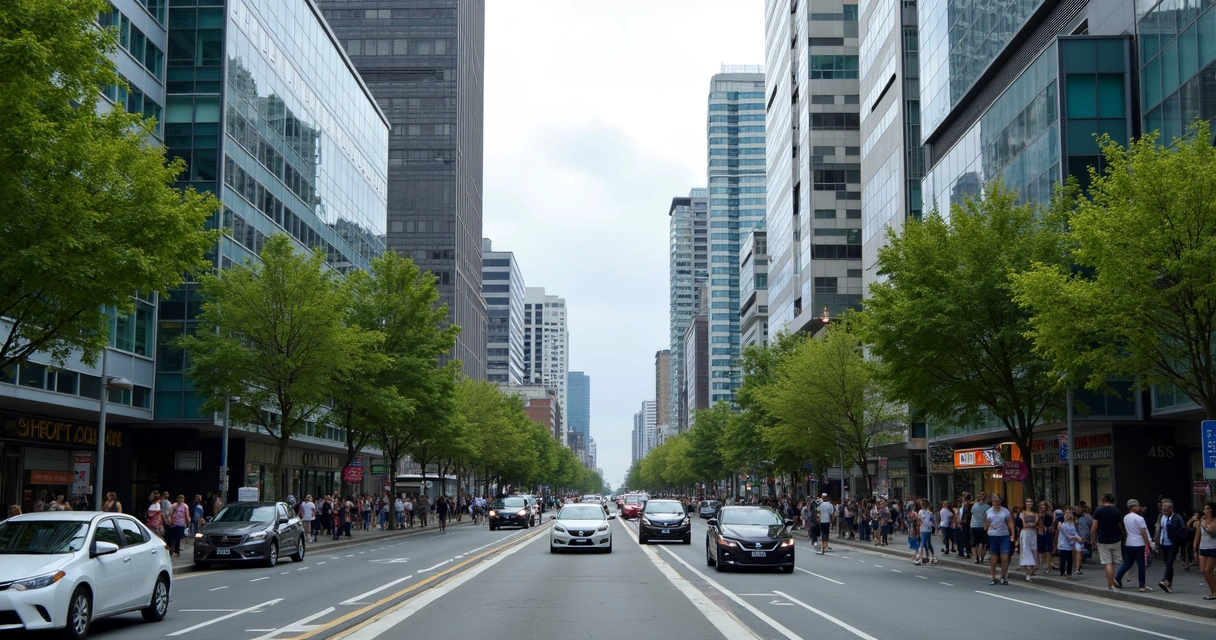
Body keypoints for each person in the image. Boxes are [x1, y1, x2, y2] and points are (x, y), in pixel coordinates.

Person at [1114, 498, 1152, 591]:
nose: (1139, 507)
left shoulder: (1126, 517)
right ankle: (1142, 585)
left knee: (1128, 562)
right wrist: (1148, 543)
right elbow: (1143, 532)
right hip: (1139, 544)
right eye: (1137, 505)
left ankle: (1117, 578)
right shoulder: (1140, 518)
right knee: (1141, 564)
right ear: (1133, 507)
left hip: (1129, 543)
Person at [1152, 498, 1186, 593]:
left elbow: (1182, 530)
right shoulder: (1161, 517)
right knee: (1167, 564)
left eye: (1165, 510)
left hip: (1173, 544)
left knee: (1170, 562)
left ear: (1171, 509)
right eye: (1162, 509)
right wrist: (1156, 543)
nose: (1163, 511)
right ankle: (1169, 583)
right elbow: (1158, 529)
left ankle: (1164, 580)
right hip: (1164, 543)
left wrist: (1179, 541)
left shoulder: (1176, 518)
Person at [1091, 493, 1124, 590]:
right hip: (1116, 539)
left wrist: (1092, 538)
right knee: (1115, 562)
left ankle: (1111, 585)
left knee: (1108, 562)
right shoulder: (1117, 511)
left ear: (1104, 500)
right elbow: (1120, 526)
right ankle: (1115, 580)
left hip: (1103, 539)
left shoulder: (1099, 510)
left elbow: (1094, 526)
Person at [985, 494, 1015, 585]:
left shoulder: (1005, 511)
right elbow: (986, 524)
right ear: (992, 502)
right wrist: (987, 530)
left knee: (1005, 557)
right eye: (994, 500)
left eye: (998, 500)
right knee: (994, 557)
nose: (996, 501)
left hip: (1004, 536)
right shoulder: (988, 512)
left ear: (1000, 501)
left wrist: (1013, 534)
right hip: (993, 536)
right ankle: (993, 577)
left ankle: (1003, 577)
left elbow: (1010, 523)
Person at [1193, 501, 1216, 601]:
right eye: (1205, 509)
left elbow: (1212, 531)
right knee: (1203, 571)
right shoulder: (1201, 521)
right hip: (1203, 547)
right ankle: (1212, 591)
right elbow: (1197, 536)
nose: (1206, 511)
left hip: (1213, 547)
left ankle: (1215, 592)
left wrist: (1206, 524)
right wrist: (1195, 550)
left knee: (1208, 570)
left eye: (1208, 509)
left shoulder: (1215, 520)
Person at [1057, 508, 1083, 578]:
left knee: (1069, 560)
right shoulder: (1061, 524)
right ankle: (1062, 573)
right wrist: (1076, 538)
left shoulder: (1071, 524)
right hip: (1063, 544)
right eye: (1066, 513)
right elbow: (1067, 535)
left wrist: (1078, 537)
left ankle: (1069, 573)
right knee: (1063, 560)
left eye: (1069, 513)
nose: (1067, 515)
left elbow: (1074, 533)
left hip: (1069, 545)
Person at [1018, 499, 1040, 581]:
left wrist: (1030, 525)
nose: (1030, 503)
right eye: (1027, 501)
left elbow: (1035, 524)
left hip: (1033, 534)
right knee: (1026, 551)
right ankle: (1028, 572)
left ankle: (1031, 570)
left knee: (1034, 551)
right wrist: (1030, 525)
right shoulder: (1022, 513)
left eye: (1031, 501)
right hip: (1025, 533)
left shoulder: (1036, 514)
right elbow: (1024, 524)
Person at [971, 492, 990, 564]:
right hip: (983, 526)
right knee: (982, 543)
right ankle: (981, 558)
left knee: (975, 543)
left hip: (974, 525)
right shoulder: (987, 507)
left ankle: (976, 558)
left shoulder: (974, 506)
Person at [917, 499, 937, 565]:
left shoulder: (920, 512)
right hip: (929, 529)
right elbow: (933, 521)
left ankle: (920, 558)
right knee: (929, 544)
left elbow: (919, 520)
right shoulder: (930, 513)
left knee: (922, 544)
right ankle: (933, 557)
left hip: (923, 529)